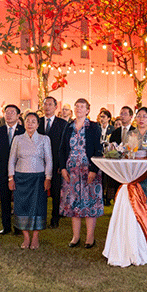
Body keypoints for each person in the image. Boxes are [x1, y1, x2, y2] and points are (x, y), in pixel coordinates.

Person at [59, 98, 103, 249]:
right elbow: (62, 149)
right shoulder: (68, 126)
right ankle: (76, 236)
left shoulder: (93, 127)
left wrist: (94, 170)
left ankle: (90, 237)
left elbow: (98, 149)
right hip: (71, 172)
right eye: (77, 106)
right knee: (74, 203)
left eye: (82, 107)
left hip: (88, 170)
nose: (79, 109)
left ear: (88, 110)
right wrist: (63, 168)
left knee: (90, 203)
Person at [8, 112, 53, 249]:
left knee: (38, 207)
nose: (30, 124)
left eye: (33, 121)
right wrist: (11, 177)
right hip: (21, 178)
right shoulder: (18, 139)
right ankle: (26, 237)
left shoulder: (44, 139)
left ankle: (35, 238)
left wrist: (48, 177)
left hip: (38, 178)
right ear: (24, 123)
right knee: (21, 207)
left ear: (38, 125)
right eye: (28, 121)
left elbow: (49, 160)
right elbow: (12, 159)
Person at [0, 104, 25, 235]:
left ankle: (18, 227)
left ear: (18, 116)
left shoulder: (23, 130)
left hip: (19, 170)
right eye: (7, 112)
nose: (9, 115)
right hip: (2, 170)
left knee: (19, 199)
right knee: (4, 199)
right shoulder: (0, 131)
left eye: (12, 112)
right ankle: (6, 227)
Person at [37, 96, 67, 228]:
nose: (47, 107)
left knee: (55, 192)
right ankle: (40, 218)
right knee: (40, 192)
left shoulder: (62, 124)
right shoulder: (37, 122)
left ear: (55, 107)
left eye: (50, 104)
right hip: (38, 163)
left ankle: (55, 218)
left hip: (56, 163)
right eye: (45, 104)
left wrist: (62, 165)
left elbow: (65, 146)